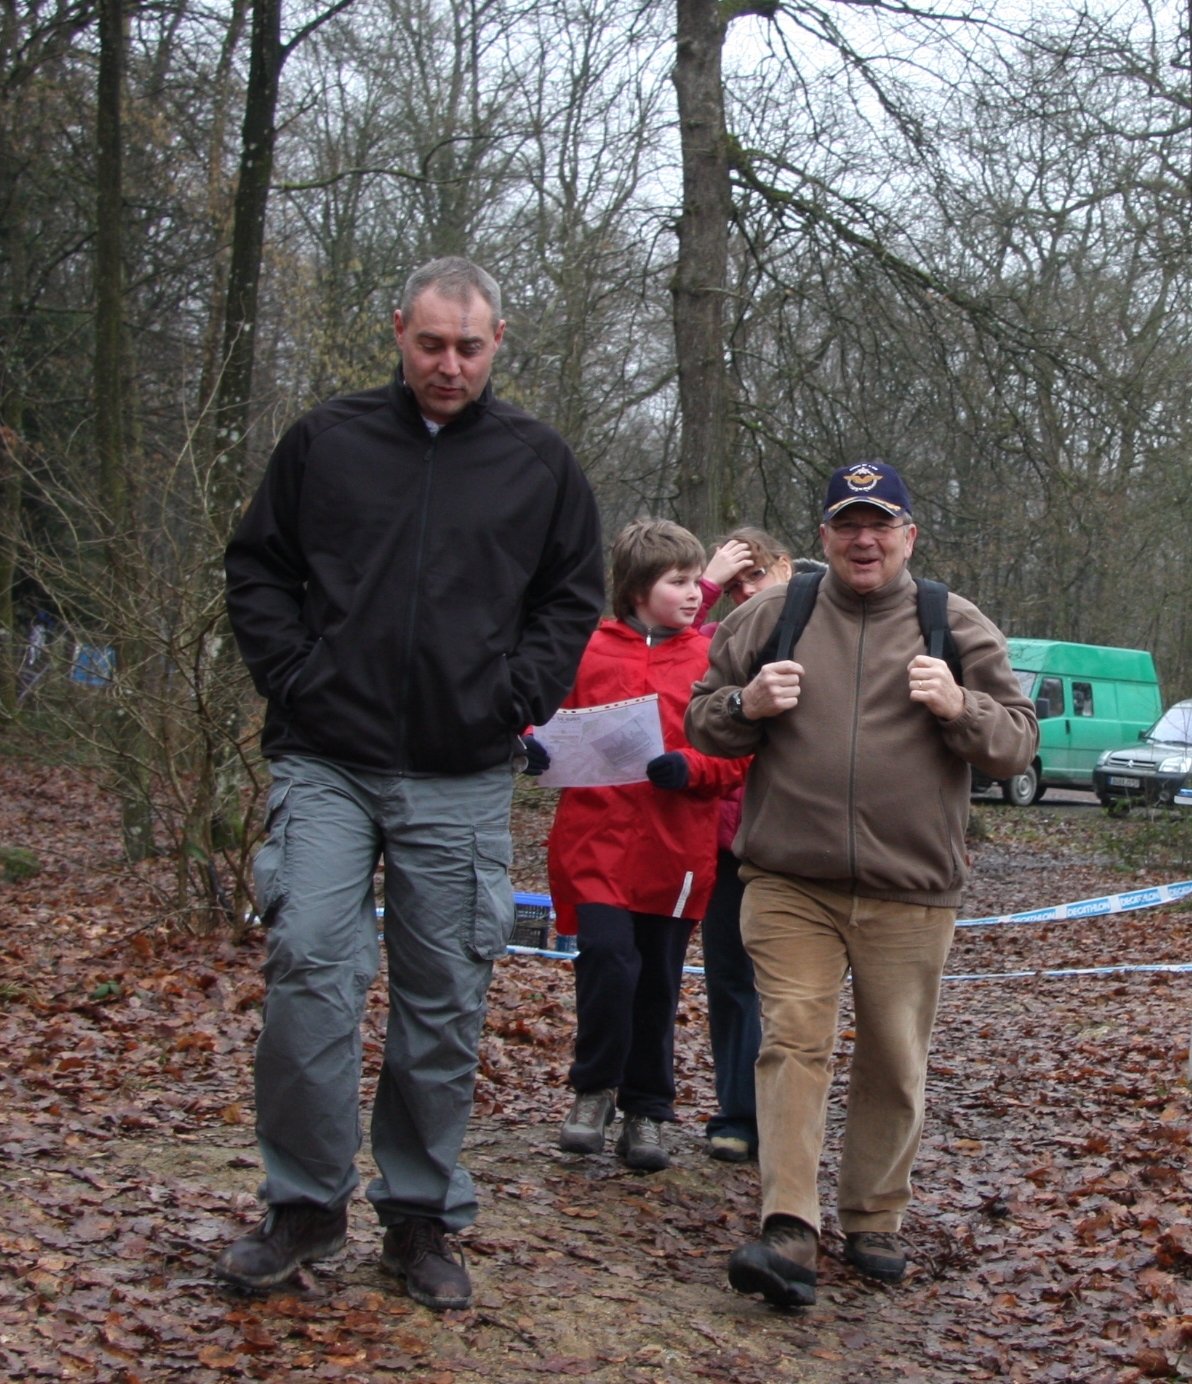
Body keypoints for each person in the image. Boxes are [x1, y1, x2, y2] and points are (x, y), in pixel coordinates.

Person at [218, 256, 604, 1310]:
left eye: (468, 347)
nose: (448, 365)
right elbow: (257, 570)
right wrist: (298, 676)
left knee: (444, 999)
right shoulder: (327, 441)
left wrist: (511, 698)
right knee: (308, 966)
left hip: (460, 771)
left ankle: (421, 1215)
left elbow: (570, 600)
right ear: (398, 330)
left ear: (498, 341)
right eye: (430, 344)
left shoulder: (539, 464)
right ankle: (304, 1204)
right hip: (327, 757)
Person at [686, 461, 1037, 1306]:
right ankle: (789, 1227)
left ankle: (874, 1215)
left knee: (893, 1057)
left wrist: (959, 705)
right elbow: (701, 715)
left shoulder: (953, 621)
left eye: (880, 524)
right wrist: (745, 706)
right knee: (792, 1041)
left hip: (909, 888)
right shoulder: (776, 613)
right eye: (848, 524)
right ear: (825, 537)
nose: (864, 539)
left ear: (909, 537)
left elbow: (1018, 745)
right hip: (788, 879)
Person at [541, 519, 748, 1173]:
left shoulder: (709, 659)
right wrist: (531, 746)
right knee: (606, 959)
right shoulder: (589, 650)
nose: (694, 593)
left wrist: (692, 768)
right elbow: (545, 721)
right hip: (595, 842)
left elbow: (738, 756)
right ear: (636, 590)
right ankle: (593, 1090)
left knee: (658, 978)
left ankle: (647, 1109)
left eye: (695, 580)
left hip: (676, 849)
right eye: (678, 582)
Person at [696, 530, 827, 1164]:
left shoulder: (825, 623)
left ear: (783, 566)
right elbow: (665, 646)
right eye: (733, 585)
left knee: (797, 994)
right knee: (730, 980)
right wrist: (706, 587)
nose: (743, 592)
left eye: (754, 576)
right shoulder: (720, 637)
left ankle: (792, 1118)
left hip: (804, 839)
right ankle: (738, 1113)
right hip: (729, 841)